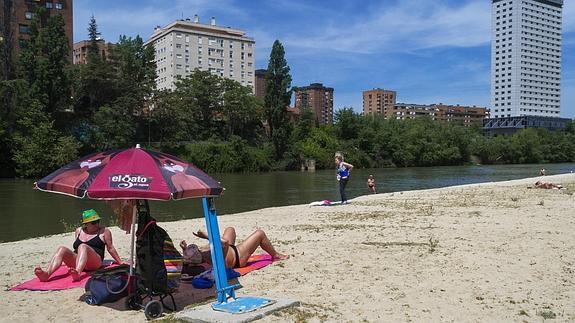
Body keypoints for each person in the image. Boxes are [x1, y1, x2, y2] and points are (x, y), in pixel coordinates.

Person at [34, 209, 122, 282]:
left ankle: (78, 273)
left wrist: (120, 262)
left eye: (97, 221)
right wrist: (67, 259)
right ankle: (47, 274)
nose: (97, 224)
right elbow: (76, 250)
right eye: (93, 222)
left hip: (95, 262)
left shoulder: (104, 231)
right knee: (62, 249)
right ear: (86, 224)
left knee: (83, 246)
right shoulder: (79, 231)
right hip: (79, 260)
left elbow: (110, 248)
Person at [179, 227, 289, 269]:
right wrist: (206, 236)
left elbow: (188, 259)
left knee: (230, 229)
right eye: (192, 248)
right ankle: (275, 255)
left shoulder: (202, 256)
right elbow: (224, 242)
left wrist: (184, 250)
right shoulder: (211, 255)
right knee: (260, 233)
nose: (193, 247)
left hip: (228, 251)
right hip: (238, 256)